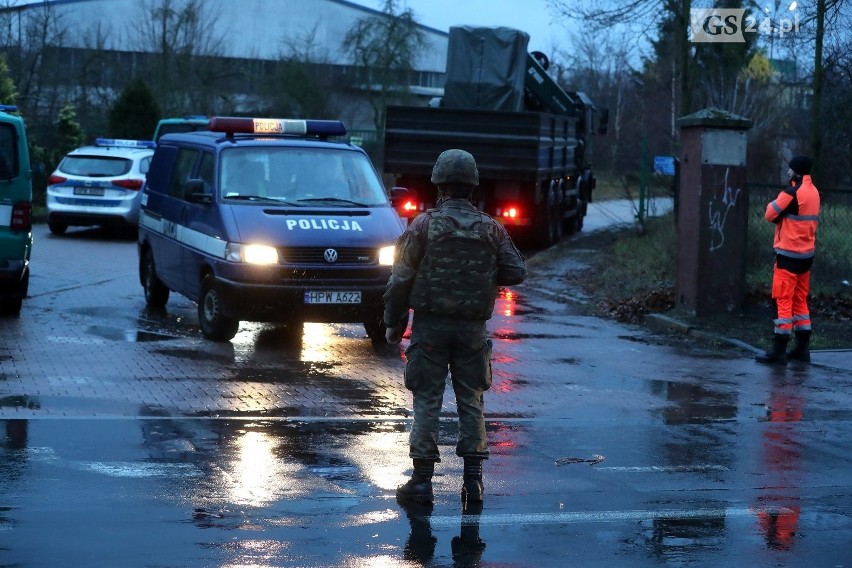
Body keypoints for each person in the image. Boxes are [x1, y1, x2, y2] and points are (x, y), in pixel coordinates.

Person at [383, 148, 527, 505]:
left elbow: (400, 278)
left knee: (427, 400)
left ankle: (421, 483)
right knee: (471, 401)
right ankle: (474, 483)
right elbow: (517, 271)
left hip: (430, 328)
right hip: (472, 332)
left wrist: (392, 322)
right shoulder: (492, 229)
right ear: (472, 186)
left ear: (439, 185)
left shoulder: (423, 225)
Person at [756, 155, 820, 365]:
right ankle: (802, 349)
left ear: (797, 171)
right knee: (800, 301)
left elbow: (769, 214)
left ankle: (779, 351)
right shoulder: (814, 193)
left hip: (787, 256)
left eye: (790, 169)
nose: (787, 172)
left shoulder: (790, 193)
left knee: (783, 302)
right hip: (806, 256)